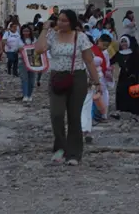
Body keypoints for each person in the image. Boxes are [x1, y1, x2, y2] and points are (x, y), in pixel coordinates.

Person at [34, 10, 103, 166]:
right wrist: (45, 29)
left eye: (65, 21)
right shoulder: (52, 35)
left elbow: (89, 61)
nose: (61, 23)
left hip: (76, 78)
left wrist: (96, 82)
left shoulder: (81, 38)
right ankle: (60, 147)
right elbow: (38, 49)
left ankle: (74, 153)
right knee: (56, 114)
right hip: (57, 77)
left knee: (74, 117)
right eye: (59, 20)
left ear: (71, 22)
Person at [115, 37, 139, 119]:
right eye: (122, 42)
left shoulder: (134, 53)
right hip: (122, 76)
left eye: (125, 42)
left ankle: (137, 110)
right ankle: (121, 109)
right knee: (121, 91)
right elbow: (113, 63)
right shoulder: (118, 53)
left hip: (133, 76)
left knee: (134, 93)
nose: (124, 44)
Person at [17, 24, 36, 102]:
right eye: (24, 31)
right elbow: (16, 49)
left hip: (32, 61)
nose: (26, 33)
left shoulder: (34, 39)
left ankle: (30, 94)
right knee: (24, 78)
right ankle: (25, 95)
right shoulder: (19, 40)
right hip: (22, 61)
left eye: (27, 31)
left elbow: (36, 48)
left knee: (31, 79)